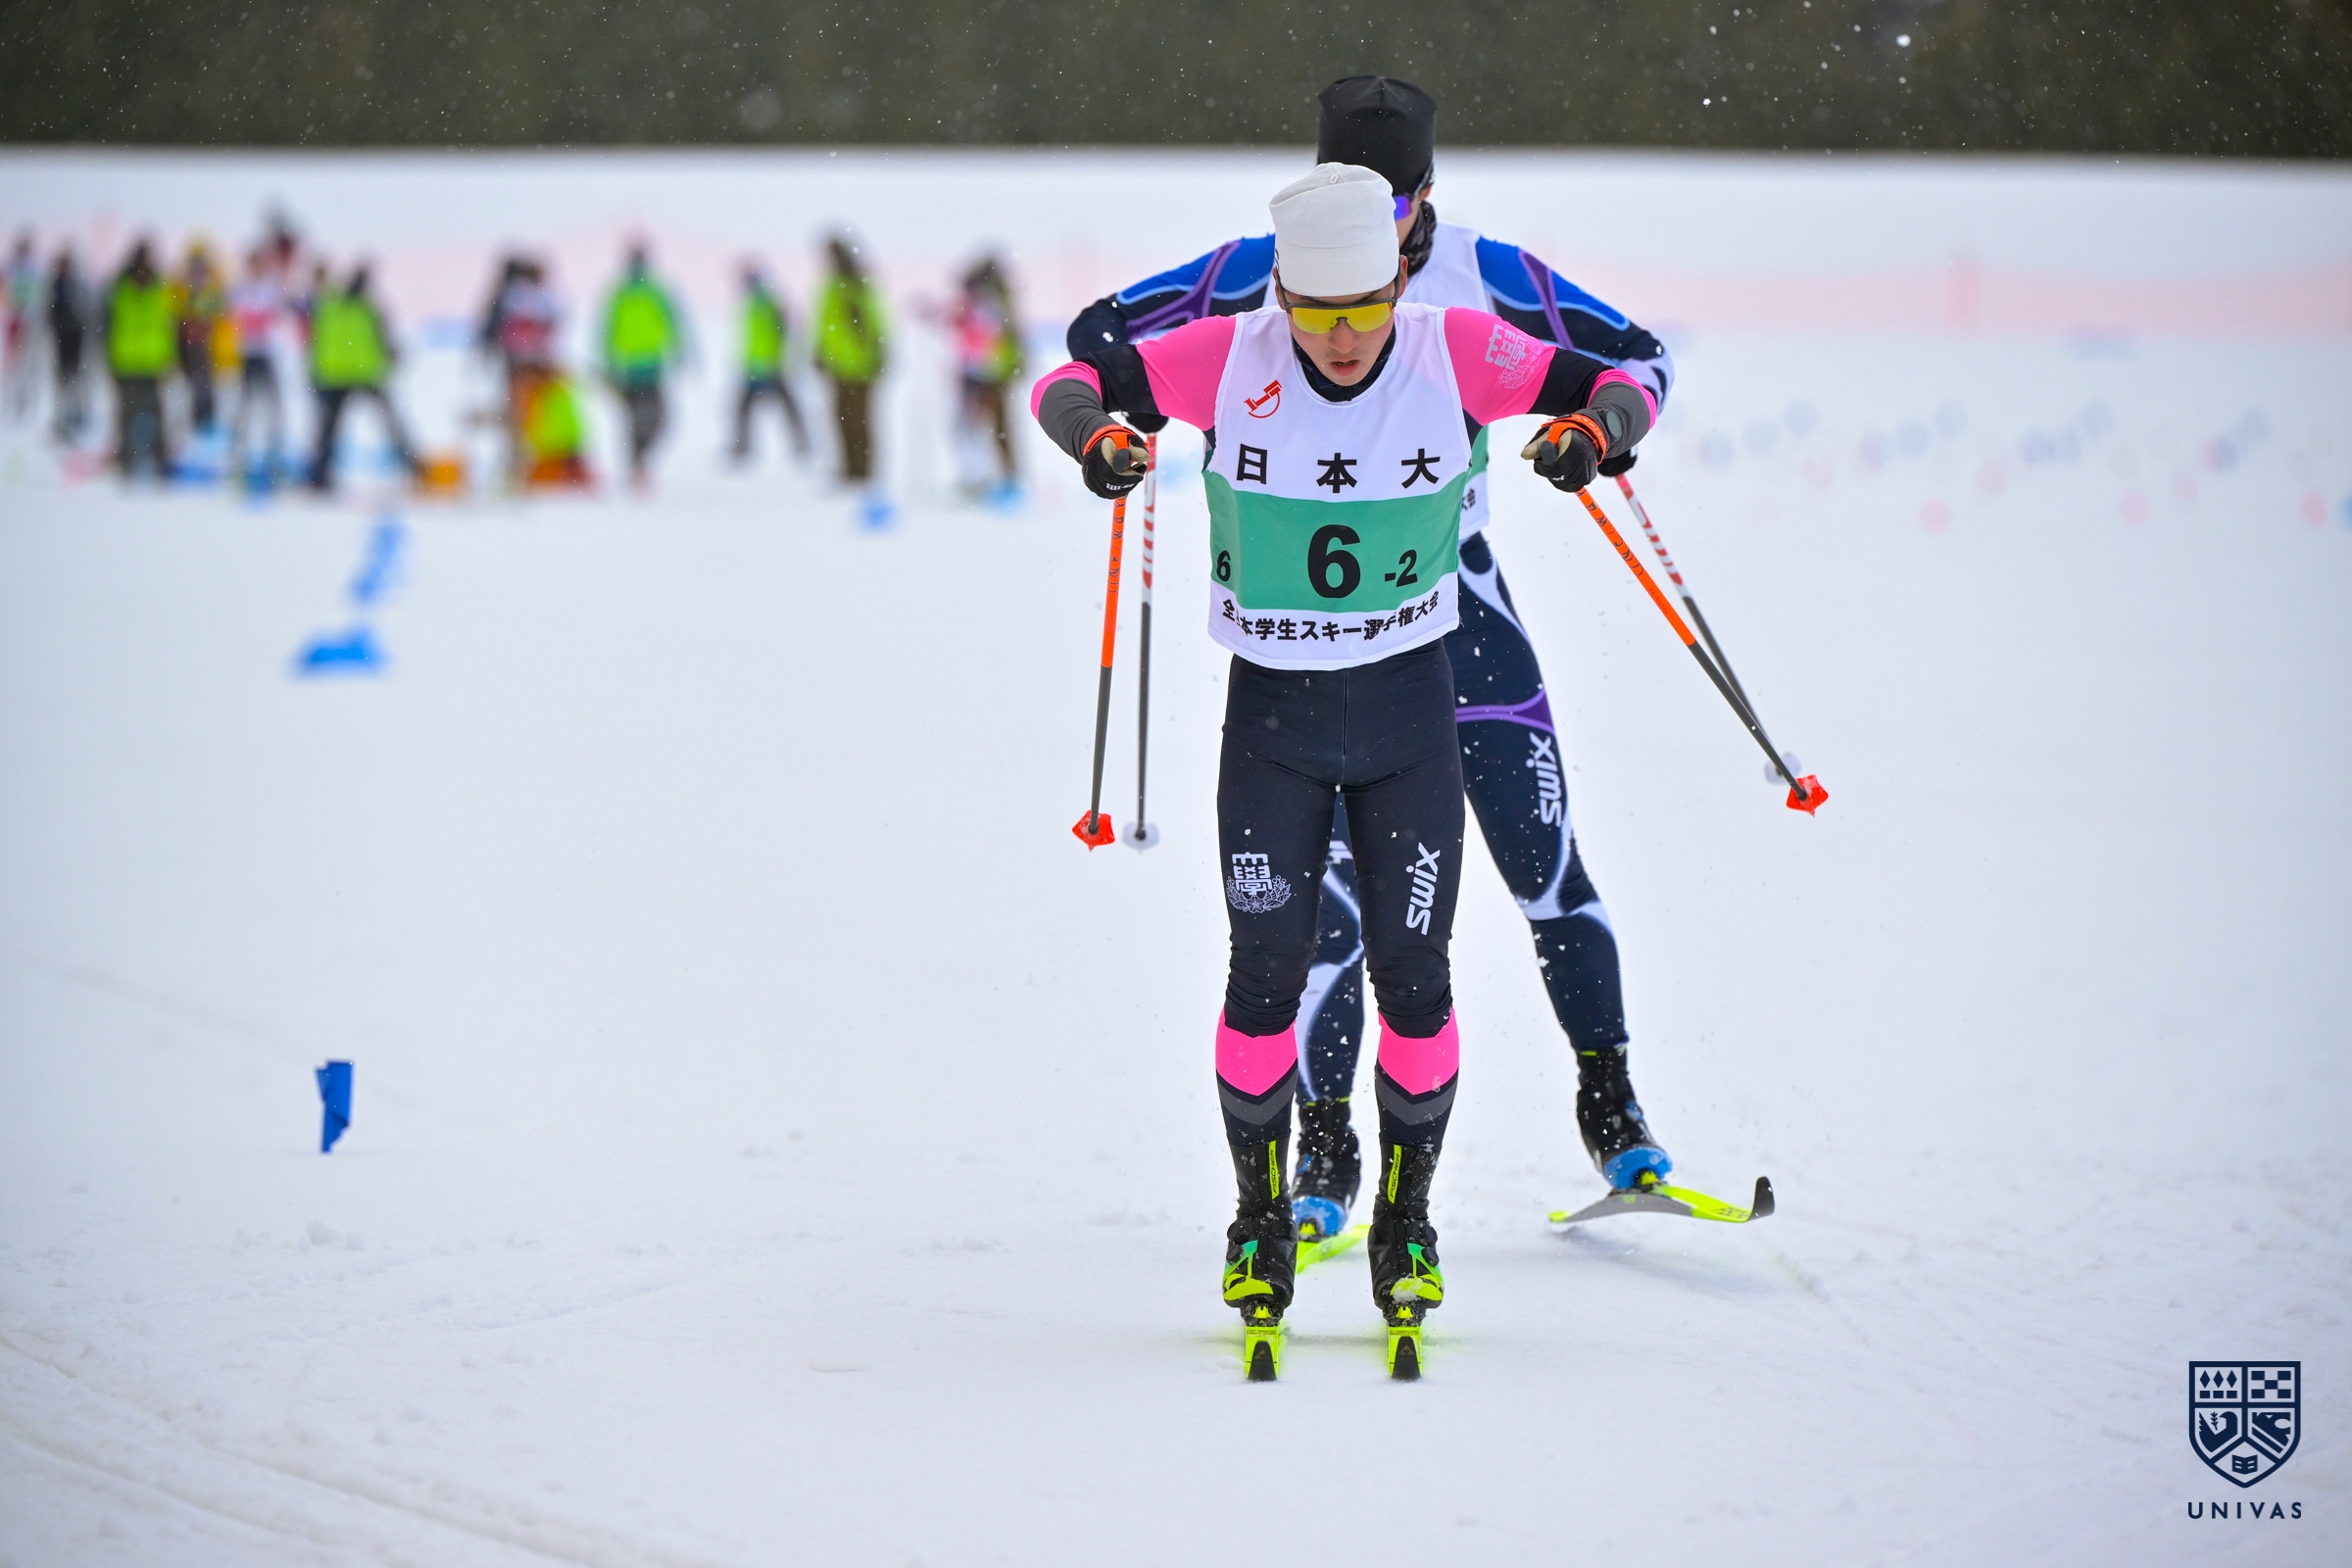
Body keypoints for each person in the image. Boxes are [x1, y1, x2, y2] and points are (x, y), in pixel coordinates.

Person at [1031, 164, 1655, 1372]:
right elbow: (1068, 381)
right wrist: (1096, 437)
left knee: (1415, 980)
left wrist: (1595, 432)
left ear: (1395, 285)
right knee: (1263, 975)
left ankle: (1407, 1224)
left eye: (1366, 308)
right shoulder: (1225, 355)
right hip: (1273, 729)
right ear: (1282, 295)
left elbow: (1618, 380)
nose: (1345, 337)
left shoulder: (1454, 347)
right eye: (1318, 313)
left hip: (1410, 727)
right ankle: (1258, 1219)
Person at [306, 263, 416, 491]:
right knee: (390, 422)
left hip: (337, 374)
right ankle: (414, 467)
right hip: (362, 373)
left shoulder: (330, 305)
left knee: (329, 430)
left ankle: (318, 475)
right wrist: (392, 355)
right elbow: (383, 337)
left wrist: (315, 373)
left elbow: (316, 340)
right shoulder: (367, 307)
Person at [601, 241, 688, 487]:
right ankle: (638, 466)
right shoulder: (631, 292)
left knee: (651, 419)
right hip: (633, 367)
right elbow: (607, 328)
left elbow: (672, 322)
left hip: (646, 365)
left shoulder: (644, 291)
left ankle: (639, 463)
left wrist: (678, 349)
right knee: (644, 419)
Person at [813, 235, 889, 492]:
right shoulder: (836, 285)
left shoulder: (854, 285)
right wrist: (821, 351)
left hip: (860, 364)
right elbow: (826, 325)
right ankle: (851, 467)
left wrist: (879, 351)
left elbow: (875, 321)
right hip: (840, 364)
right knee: (844, 418)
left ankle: (862, 469)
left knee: (858, 419)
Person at [948, 255, 1023, 502]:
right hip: (990, 373)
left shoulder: (986, 303)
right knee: (994, 428)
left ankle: (990, 480)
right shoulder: (998, 300)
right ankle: (1000, 477)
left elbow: (987, 338)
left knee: (977, 427)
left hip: (984, 374)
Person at [104, 240, 176, 477]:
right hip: (126, 362)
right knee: (127, 414)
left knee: (156, 413)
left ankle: (159, 458)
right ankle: (127, 459)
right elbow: (108, 327)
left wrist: (170, 358)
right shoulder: (120, 290)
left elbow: (167, 326)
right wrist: (109, 359)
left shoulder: (159, 290)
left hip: (153, 362)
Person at [731, 261, 809, 465]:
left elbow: (787, 330)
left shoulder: (767, 301)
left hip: (770, 364)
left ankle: (801, 444)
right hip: (756, 364)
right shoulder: (754, 302)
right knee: (751, 408)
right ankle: (743, 446)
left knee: (783, 406)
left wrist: (783, 357)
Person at [226, 244, 287, 481]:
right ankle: (238, 455)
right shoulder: (239, 289)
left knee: (273, 406)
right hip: (247, 354)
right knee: (244, 406)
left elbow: (279, 316)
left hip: (267, 354)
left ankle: (274, 453)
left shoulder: (271, 289)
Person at [172, 239, 227, 432]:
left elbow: (218, 316)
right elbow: (174, 314)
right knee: (185, 389)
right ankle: (189, 427)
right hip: (184, 347)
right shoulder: (179, 288)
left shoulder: (213, 288)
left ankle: (205, 425)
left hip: (207, 347)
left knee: (205, 388)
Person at [47, 248, 89, 443]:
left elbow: (85, 313)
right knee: (64, 382)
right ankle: (63, 417)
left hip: (74, 342)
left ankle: (76, 415)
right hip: (62, 342)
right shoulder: (56, 286)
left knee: (74, 380)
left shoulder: (75, 286)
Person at [4, 230, 41, 421]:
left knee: (25, 363)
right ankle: (15, 398)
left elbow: (38, 296)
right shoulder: (11, 270)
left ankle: (24, 399)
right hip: (15, 321)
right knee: (15, 363)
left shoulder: (32, 270)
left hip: (27, 321)